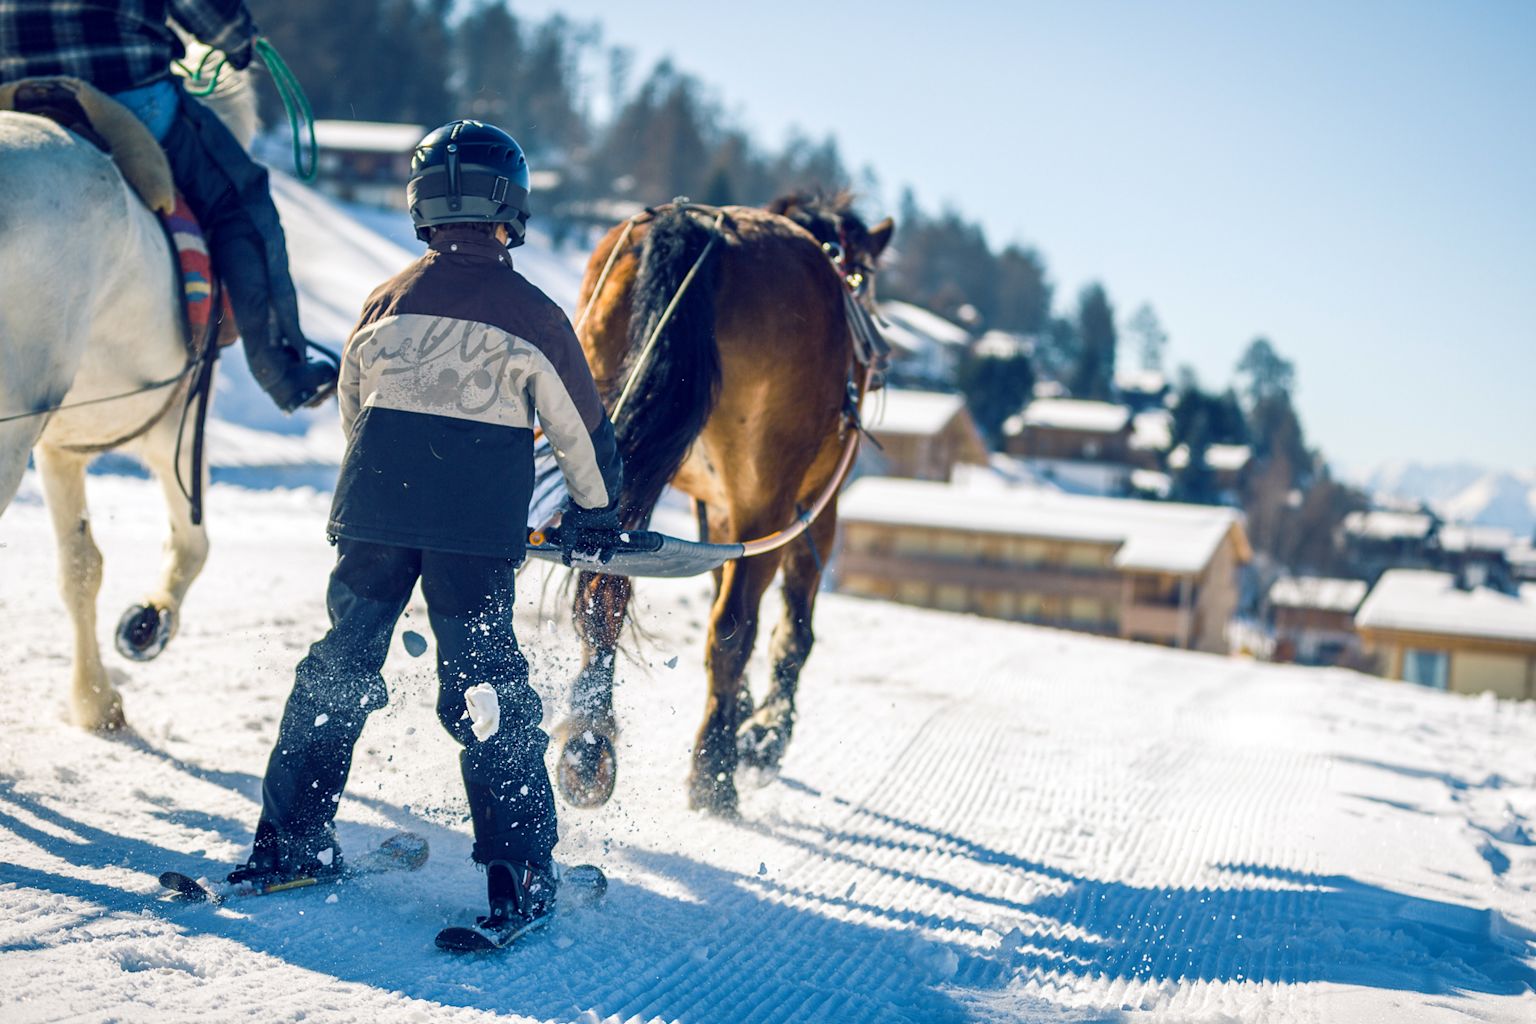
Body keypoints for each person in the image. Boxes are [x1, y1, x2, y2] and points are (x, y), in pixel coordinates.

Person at [229, 120, 623, 940]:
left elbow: (355, 409)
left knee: (340, 665)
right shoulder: (533, 314)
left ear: (421, 206)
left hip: (373, 512)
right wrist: (595, 515)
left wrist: (391, 489)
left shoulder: (386, 297)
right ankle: (519, 872)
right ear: (509, 206)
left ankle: (289, 839)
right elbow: (581, 434)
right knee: (483, 684)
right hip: (471, 531)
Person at [0, 1, 336, 411]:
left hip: (10, 95)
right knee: (241, 202)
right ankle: (284, 371)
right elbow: (207, 14)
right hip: (124, 90)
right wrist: (238, 39)